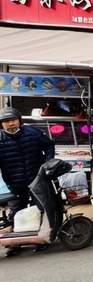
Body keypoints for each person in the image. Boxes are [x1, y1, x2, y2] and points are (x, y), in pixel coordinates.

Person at [0, 107, 55, 256]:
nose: (10, 124)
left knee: (41, 209)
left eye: (13, 120)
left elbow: (49, 145)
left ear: (19, 120)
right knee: (16, 212)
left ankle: (41, 240)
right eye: (6, 121)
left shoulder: (32, 132)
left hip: (37, 179)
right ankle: (14, 244)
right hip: (14, 183)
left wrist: (47, 164)